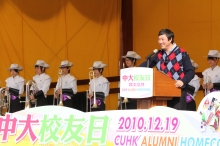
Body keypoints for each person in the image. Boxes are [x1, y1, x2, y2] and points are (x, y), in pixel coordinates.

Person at [139, 28, 195, 110]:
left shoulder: (182, 52)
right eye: (159, 39)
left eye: (162, 39)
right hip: (162, 93)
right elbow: (147, 64)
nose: (160, 42)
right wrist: (136, 70)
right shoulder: (158, 54)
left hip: (177, 91)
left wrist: (183, 81)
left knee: (177, 117)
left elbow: (190, 71)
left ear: (170, 39)